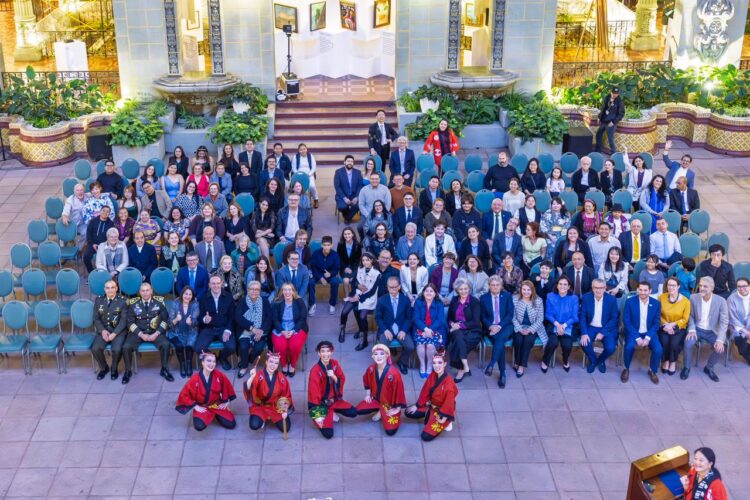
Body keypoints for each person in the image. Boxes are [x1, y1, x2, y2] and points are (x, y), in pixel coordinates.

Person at [123, 282, 173, 384]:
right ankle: (128, 371)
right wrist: (141, 334)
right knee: (126, 346)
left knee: (166, 344)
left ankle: (164, 369)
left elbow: (166, 321)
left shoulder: (159, 302)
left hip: (155, 332)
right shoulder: (133, 304)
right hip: (138, 333)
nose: (145, 293)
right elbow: (130, 322)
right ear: (139, 292)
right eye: (143, 291)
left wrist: (156, 333)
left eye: (147, 290)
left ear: (151, 291)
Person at [405, 347, 458, 441]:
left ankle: (448, 421)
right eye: (434, 363)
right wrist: (417, 405)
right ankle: (429, 414)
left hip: (442, 410)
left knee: (425, 436)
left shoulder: (449, 385)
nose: (436, 366)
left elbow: (449, 403)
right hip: (431, 405)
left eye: (439, 363)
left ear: (445, 364)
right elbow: (425, 391)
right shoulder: (433, 375)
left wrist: (444, 417)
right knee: (408, 412)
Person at [175, 351, 237, 431]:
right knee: (199, 426)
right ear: (203, 362)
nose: (212, 364)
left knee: (231, 424)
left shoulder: (219, 375)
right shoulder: (194, 379)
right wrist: (195, 406)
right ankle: (205, 414)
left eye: (214, 361)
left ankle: (216, 414)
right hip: (202, 406)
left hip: (216, 405)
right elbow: (184, 394)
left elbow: (226, 386)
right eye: (209, 361)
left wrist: (226, 401)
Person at [307, 340, 358, 438]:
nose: (326, 354)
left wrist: (334, 377)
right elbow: (313, 394)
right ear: (319, 353)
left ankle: (332, 412)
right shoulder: (315, 371)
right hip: (321, 404)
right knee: (328, 434)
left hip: (334, 401)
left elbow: (342, 379)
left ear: (332, 352)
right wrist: (318, 416)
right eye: (323, 351)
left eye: (328, 351)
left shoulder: (335, 363)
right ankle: (328, 413)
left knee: (353, 412)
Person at [683, 276, 728, 382]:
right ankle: (686, 367)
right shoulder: (693, 298)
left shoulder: (721, 301)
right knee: (688, 343)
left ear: (712, 288)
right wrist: (692, 329)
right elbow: (690, 315)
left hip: (712, 331)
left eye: (705, 286)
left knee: (720, 348)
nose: (702, 288)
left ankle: (709, 367)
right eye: (700, 286)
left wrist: (720, 339)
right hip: (697, 329)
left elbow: (724, 321)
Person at [355, 343, 407, 435]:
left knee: (390, 432)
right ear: (373, 356)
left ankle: (381, 411)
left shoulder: (394, 374)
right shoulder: (371, 368)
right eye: (376, 354)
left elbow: (399, 392)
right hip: (375, 399)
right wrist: (368, 395)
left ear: (387, 355)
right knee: (356, 411)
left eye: (382, 354)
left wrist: (397, 409)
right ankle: (379, 409)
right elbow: (366, 380)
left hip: (389, 405)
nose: (379, 357)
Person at [621, 281, 663, 384]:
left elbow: (656, 323)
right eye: (640, 290)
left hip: (649, 332)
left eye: (645, 290)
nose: (642, 292)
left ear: (650, 291)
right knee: (629, 347)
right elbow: (627, 321)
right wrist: (637, 337)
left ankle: (652, 370)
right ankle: (626, 368)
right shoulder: (630, 302)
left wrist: (648, 337)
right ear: (637, 290)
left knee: (658, 349)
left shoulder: (656, 303)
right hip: (634, 332)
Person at [243, 351, 293, 433]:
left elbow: (285, 395)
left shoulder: (282, 378)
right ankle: (262, 419)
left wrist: (284, 410)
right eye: (271, 362)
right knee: (254, 425)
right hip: (261, 406)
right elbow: (248, 389)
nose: (273, 365)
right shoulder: (259, 375)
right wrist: (251, 377)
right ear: (266, 362)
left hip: (275, 407)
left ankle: (271, 418)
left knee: (286, 428)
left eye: (276, 363)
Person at [194, 275, 235, 370]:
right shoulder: (203, 298)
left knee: (231, 347)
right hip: (209, 329)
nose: (216, 285)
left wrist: (228, 330)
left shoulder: (229, 297)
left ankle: (222, 357)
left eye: (218, 283)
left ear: (221, 284)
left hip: (224, 328)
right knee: (198, 348)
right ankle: (213, 357)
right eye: (213, 283)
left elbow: (232, 317)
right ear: (209, 285)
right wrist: (204, 319)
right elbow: (199, 317)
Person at [339, 252, 380, 349]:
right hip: (356, 294)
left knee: (362, 316)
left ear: (372, 260)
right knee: (344, 312)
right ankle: (342, 330)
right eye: (363, 260)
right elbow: (353, 282)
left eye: (367, 260)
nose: (365, 262)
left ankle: (364, 340)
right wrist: (358, 287)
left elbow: (372, 291)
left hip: (368, 298)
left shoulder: (377, 273)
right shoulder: (359, 269)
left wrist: (359, 297)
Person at [375, 276, 414, 374]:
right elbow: (378, 318)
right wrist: (385, 330)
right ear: (387, 287)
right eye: (390, 287)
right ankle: (384, 364)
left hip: (401, 329)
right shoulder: (382, 300)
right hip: (387, 329)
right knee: (382, 348)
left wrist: (404, 330)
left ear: (399, 287)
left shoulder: (405, 300)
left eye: (394, 287)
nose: (392, 290)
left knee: (410, 346)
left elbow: (409, 318)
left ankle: (402, 362)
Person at [579, 279, 619, 373]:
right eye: (595, 288)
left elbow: (614, 319)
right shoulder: (586, 298)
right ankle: (593, 361)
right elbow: (582, 317)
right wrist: (584, 333)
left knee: (610, 348)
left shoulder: (612, 300)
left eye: (601, 288)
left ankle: (601, 360)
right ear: (592, 288)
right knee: (584, 343)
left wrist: (602, 332)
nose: (598, 290)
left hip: (607, 328)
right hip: (591, 327)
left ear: (605, 288)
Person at [447, 278, 483, 383]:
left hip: (473, 330)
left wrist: (460, 325)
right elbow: (449, 317)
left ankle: (461, 369)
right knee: (458, 338)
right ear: (457, 290)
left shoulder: (474, 301)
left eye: (465, 289)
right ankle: (465, 367)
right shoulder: (454, 300)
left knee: (459, 343)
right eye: (461, 289)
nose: (463, 291)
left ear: (469, 289)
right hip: (456, 329)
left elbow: (476, 321)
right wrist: (452, 324)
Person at [91, 280, 128, 381]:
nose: (110, 290)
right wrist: (102, 331)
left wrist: (114, 333)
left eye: (112, 287)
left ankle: (114, 368)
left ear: (116, 288)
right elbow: (96, 318)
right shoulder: (99, 300)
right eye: (107, 288)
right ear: (104, 289)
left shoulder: (123, 300)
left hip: (118, 332)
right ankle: (104, 368)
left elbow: (124, 320)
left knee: (117, 349)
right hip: (104, 331)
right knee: (95, 348)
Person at [542, 276, 579, 372]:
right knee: (552, 343)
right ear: (557, 285)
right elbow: (548, 314)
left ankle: (565, 360)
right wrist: (558, 325)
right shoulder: (550, 296)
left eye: (565, 284)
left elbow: (575, 317)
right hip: (554, 324)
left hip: (568, 326)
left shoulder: (574, 298)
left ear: (569, 286)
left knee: (567, 345)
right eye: (560, 284)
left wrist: (564, 326)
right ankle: (545, 361)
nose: (562, 286)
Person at [271, 283, 309, 376]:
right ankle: (284, 365)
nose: (287, 292)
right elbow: (275, 320)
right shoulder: (277, 302)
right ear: (282, 292)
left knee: (295, 346)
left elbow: (303, 318)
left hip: (297, 327)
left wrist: (293, 330)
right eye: (285, 290)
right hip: (281, 328)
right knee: (280, 346)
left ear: (293, 291)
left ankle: (292, 365)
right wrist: (282, 331)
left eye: (289, 289)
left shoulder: (299, 301)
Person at [511, 280, 546, 379]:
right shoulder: (515, 299)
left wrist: (530, 329)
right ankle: (517, 362)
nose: (526, 292)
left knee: (528, 341)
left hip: (533, 327)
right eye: (524, 289)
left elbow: (540, 318)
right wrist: (519, 328)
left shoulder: (538, 301)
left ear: (532, 290)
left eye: (528, 290)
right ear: (521, 290)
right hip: (518, 326)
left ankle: (521, 366)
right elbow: (512, 317)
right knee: (518, 340)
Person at [413, 283, 447, 377]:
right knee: (421, 345)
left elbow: (440, 320)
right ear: (423, 292)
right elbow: (416, 318)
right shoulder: (418, 302)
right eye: (426, 291)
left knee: (430, 346)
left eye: (431, 291)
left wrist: (429, 330)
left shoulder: (439, 303)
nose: (428, 293)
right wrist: (425, 329)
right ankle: (422, 365)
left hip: (436, 329)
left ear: (435, 293)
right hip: (420, 328)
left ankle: (429, 365)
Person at [658, 276, 690, 376]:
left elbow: (685, 319)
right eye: (669, 285)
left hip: (679, 326)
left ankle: (673, 362)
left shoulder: (685, 301)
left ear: (678, 286)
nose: (671, 287)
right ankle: (666, 361)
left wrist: (673, 324)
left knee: (674, 343)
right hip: (664, 325)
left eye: (673, 285)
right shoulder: (661, 297)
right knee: (664, 341)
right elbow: (657, 314)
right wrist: (666, 325)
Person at [167, 286, 200, 378]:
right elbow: (169, 323)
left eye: (190, 294)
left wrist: (191, 322)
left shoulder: (195, 304)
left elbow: (196, 321)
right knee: (179, 346)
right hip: (176, 332)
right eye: (186, 294)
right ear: (182, 294)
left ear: (192, 296)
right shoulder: (175, 303)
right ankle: (182, 364)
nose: (187, 296)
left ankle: (189, 363)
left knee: (189, 346)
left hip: (190, 332)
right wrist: (176, 319)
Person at [310, 235, 342, 315]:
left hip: (330, 274)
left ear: (331, 245)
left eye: (328, 245)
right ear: (321, 245)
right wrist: (320, 277)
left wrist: (330, 274)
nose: (326, 247)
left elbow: (337, 268)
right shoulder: (316, 253)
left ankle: (332, 304)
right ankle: (312, 304)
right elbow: (313, 267)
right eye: (324, 245)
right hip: (318, 274)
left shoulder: (335, 255)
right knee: (310, 282)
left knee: (335, 282)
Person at [84, 205, 114, 274]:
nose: (105, 213)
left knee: (108, 258)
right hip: (93, 244)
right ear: (100, 211)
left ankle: (105, 274)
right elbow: (88, 234)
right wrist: (92, 244)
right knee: (86, 257)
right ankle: (92, 273)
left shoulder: (111, 224)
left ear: (109, 214)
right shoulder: (93, 221)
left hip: (105, 245)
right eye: (104, 211)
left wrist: (103, 245)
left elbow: (111, 237)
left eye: (107, 212)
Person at [334, 155, 363, 224]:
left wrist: (357, 197)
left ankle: (347, 218)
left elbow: (360, 186)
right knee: (342, 207)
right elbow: (337, 187)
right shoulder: (338, 172)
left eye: (351, 161)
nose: (350, 163)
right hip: (342, 195)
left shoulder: (358, 172)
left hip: (354, 195)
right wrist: (344, 198)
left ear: (353, 163)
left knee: (359, 205)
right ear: (344, 162)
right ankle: (348, 216)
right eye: (348, 161)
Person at [595, 86, 625, 153]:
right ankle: (598, 150)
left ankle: (613, 153)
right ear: (611, 92)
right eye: (613, 93)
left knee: (610, 138)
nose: (614, 95)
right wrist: (599, 117)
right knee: (598, 134)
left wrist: (613, 122)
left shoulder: (619, 102)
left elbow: (621, 114)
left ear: (618, 94)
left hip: (611, 122)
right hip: (603, 120)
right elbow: (603, 108)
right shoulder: (607, 98)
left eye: (616, 93)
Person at [728, 277, 750, 365]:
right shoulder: (731, 299)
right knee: (743, 346)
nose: (742, 289)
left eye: (744, 286)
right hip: (737, 327)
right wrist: (745, 331)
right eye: (739, 286)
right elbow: (732, 318)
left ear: (749, 286)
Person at [292, 143, 319, 208]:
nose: (303, 151)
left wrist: (308, 174)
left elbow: (314, 167)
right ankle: (299, 200)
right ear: (299, 150)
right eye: (301, 149)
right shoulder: (295, 157)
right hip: (299, 175)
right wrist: (299, 175)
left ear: (306, 149)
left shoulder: (311, 156)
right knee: (298, 187)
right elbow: (294, 168)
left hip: (309, 174)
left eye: (304, 149)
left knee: (312, 186)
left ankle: (316, 199)